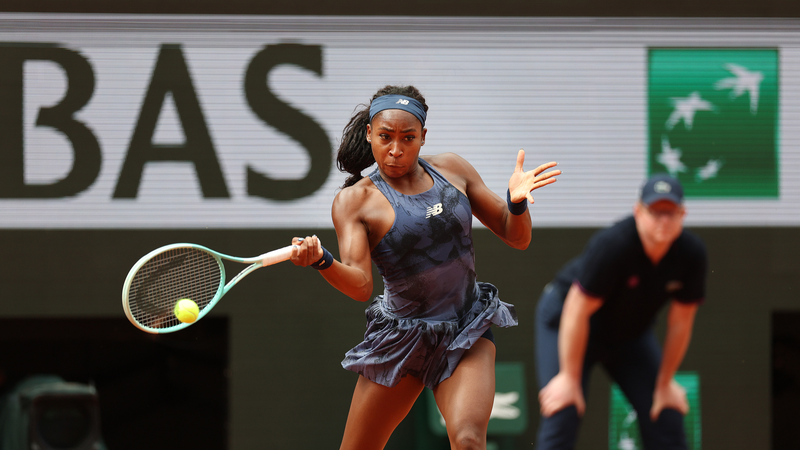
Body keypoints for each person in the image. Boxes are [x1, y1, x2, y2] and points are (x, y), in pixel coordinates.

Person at [290, 84, 560, 450]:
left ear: (423, 137)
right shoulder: (355, 201)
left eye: (408, 137)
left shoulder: (452, 169)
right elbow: (360, 286)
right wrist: (323, 261)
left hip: (466, 329)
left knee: (467, 441)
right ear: (370, 134)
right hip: (402, 339)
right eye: (385, 137)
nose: (396, 150)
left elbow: (517, 237)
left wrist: (516, 203)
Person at [534, 173, 707, 450]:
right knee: (563, 407)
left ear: (682, 214)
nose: (663, 219)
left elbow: (681, 323)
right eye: (655, 211)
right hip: (568, 322)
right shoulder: (613, 245)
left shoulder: (692, 254)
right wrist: (568, 377)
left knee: (666, 411)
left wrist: (665, 383)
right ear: (638, 212)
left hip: (629, 335)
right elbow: (577, 310)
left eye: (671, 212)